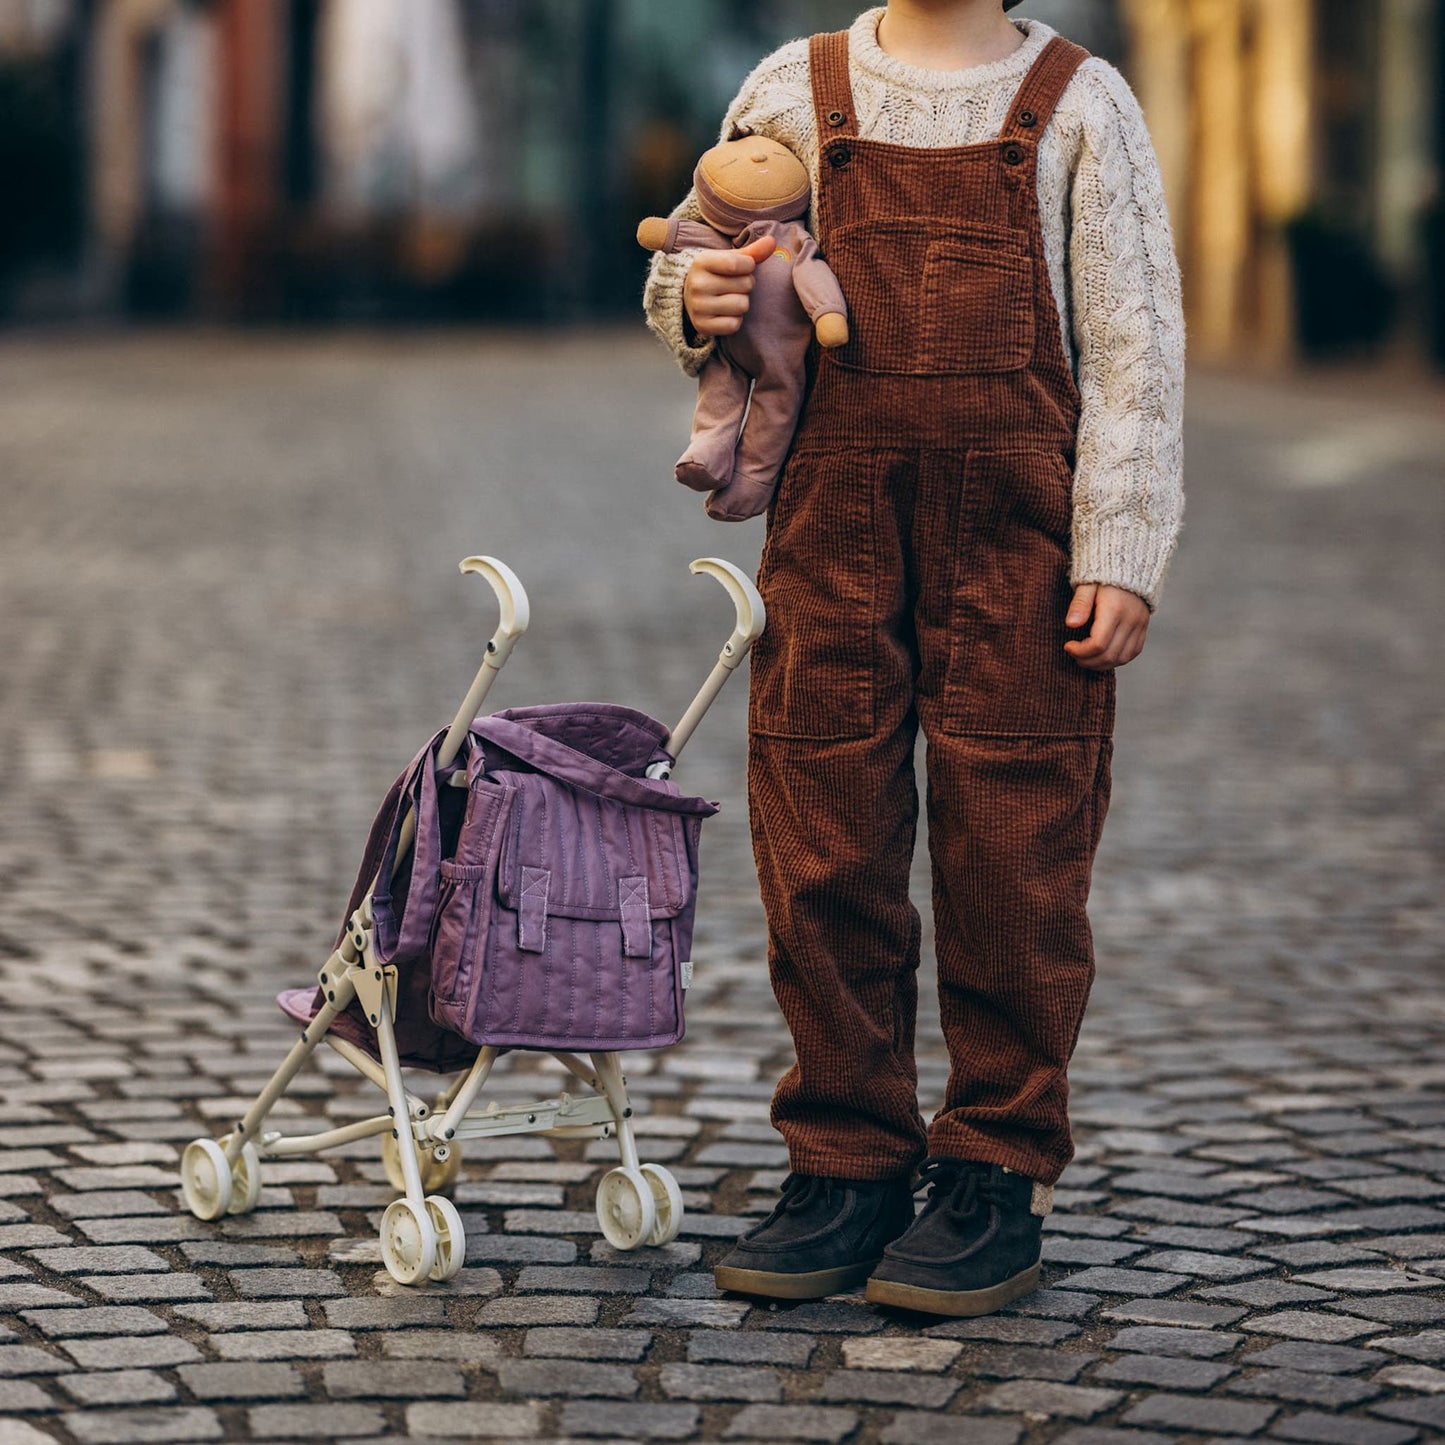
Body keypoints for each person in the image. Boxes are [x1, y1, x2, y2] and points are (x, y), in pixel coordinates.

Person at [643, 0, 1183, 1317]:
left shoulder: (1077, 105)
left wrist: (1119, 544)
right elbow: (709, 261)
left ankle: (995, 1164)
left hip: (1019, 546)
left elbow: (1131, 347)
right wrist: (692, 296)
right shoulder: (796, 85)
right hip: (833, 533)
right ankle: (844, 1156)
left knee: (1013, 847)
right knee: (822, 831)